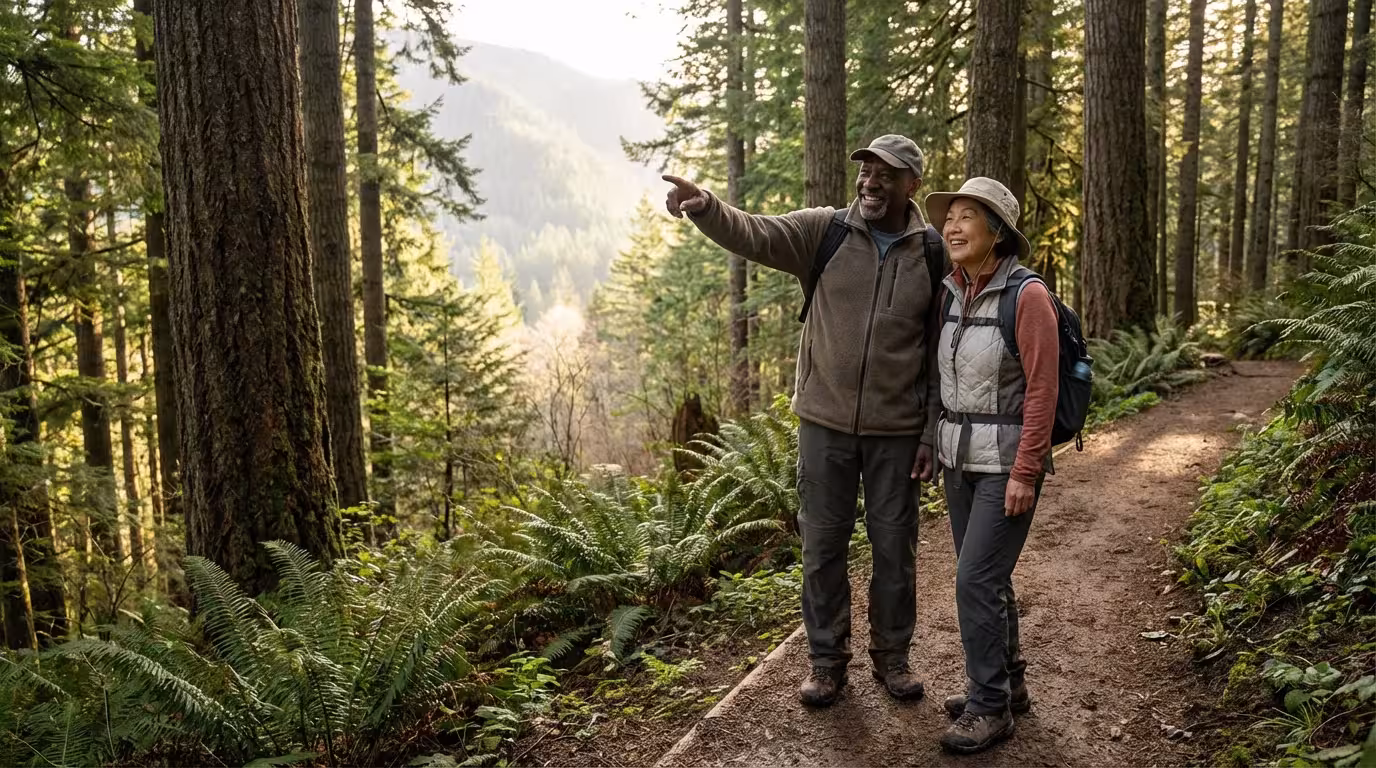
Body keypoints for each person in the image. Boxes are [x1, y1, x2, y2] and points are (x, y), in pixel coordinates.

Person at [663, 135, 945, 708]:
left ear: (911, 184)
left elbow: (942, 350)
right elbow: (755, 232)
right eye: (864, 171)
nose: (869, 182)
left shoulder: (934, 254)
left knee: (895, 551)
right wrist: (707, 206)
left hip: (897, 433)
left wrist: (928, 431)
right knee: (821, 549)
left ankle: (892, 659)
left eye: (885, 175)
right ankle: (826, 663)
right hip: (824, 424)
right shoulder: (826, 231)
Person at [922, 177, 1060, 754]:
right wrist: (933, 440)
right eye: (948, 217)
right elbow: (941, 379)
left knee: (974, 580)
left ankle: (989, 706)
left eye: (967, 217)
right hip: (959, 461)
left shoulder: (1027, 297)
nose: (952, 227)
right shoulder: (951, 291)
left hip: (1005, 464)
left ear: (996, 232)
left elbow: (1042, 389)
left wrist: (1026, 470)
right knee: (989, 578)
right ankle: (1009, 684)